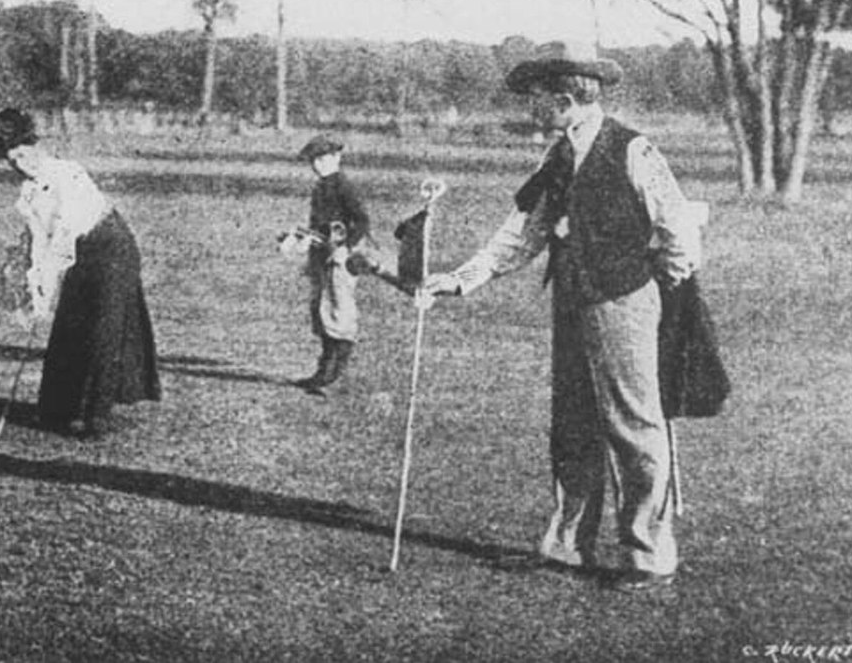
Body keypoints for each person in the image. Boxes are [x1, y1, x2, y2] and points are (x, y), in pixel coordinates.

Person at [424, 41, 703, 592]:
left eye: (536, 97)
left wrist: (657, 281)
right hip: (573, 302)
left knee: (633, 424)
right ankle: (568, 545)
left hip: (623, 301)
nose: (530, 107)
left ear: (566, 100)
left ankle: (649, 556)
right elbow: (522, 232)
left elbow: (677, 229)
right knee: (573, 423)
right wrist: (462, 278)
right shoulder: (557, 156)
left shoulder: (633, 149)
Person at [0, 108, 160, 439]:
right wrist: (36, 290)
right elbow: (38, 243)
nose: (19, 165)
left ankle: (96, 417)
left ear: (34, 145)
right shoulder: (29, 194)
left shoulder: (67, 173)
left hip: (111, 248)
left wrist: (48, 280)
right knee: (69, 325)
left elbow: (63, 234)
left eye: (21, 155)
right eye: (11, 161)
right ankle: (57, 410)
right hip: (80, 252)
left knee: (103, 330)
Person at [291, 135, 374, 396]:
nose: (317, 164)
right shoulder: (322, 187)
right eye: (313, 160)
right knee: (322, 309)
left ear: (337, 157)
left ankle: (334, 371)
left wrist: (345, 248)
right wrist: (305, 239)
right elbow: (320, 224)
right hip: (322, 255)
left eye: (322, 158)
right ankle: (324, 368)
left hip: (341, 259)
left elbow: (361, 221)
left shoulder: (343, 186)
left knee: (340, 309)